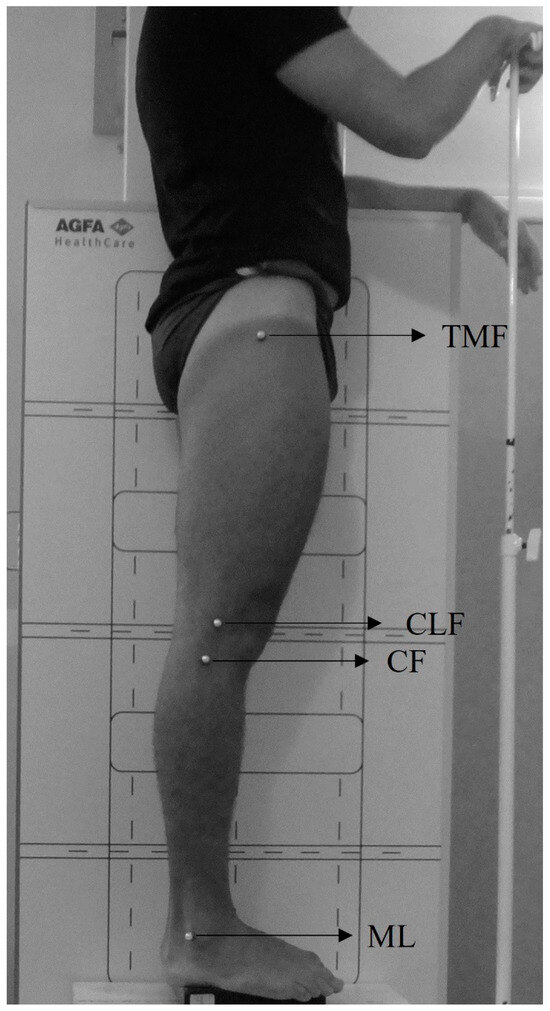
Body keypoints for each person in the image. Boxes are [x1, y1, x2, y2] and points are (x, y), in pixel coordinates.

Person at [135, 8, 542, 1002]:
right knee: (218, 633)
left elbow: (296, 184)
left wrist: (454, 201)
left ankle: (202, 926)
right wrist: (492, 33)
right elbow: (407, 116)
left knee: (219, 631)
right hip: (255, 318)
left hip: (236, 313)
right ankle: (201, 929)